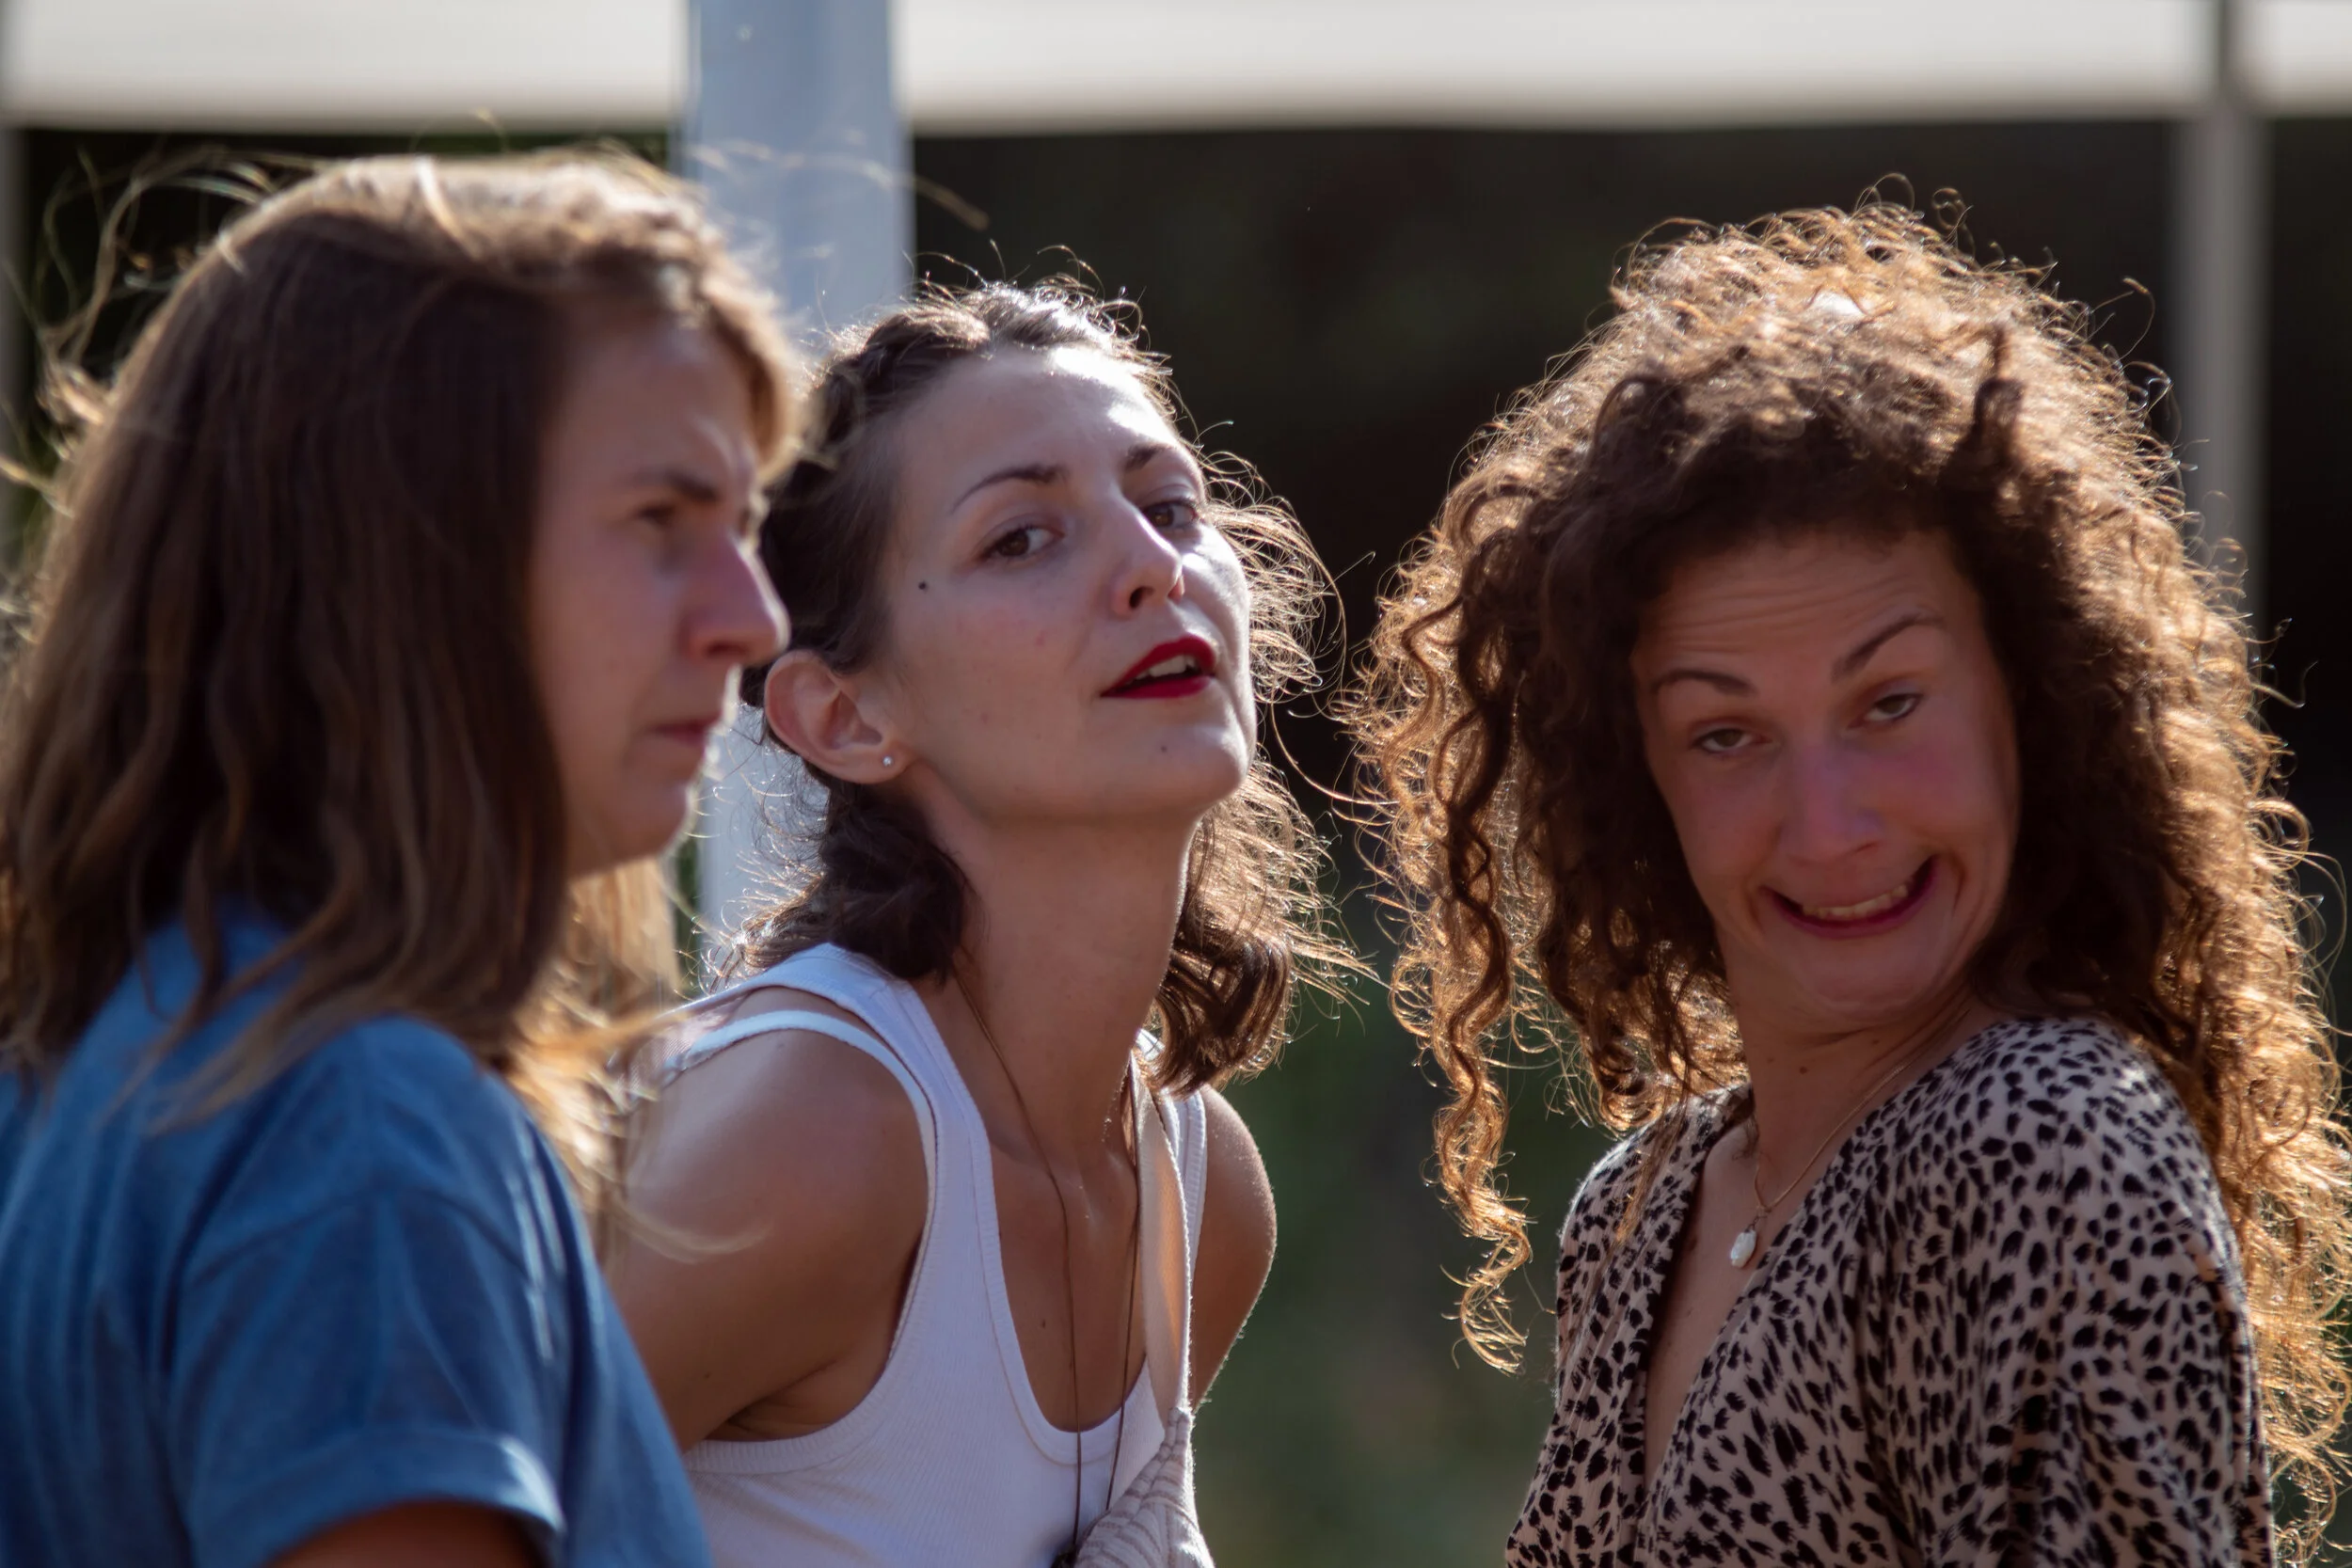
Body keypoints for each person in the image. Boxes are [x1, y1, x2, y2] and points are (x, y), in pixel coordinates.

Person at [1352, 202, 2352, 1564]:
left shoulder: (2045, 1142)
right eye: (1726, 734)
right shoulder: (1641, 1210)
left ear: (2032, 703)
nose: (1828, 828)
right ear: (1633, 782)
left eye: (1889, 703)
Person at [0, 152, 794, 1567]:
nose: (753, 618)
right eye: (661, 522)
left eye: (739, 525)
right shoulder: (361, 1136)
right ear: (399, 559)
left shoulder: (106, 1055)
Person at [607, 281, 1345, 1568]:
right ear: (843, 717)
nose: (1154, 565)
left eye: (1172, 505)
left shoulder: (1203, 1196)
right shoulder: (816, 1138)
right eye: (1021, 538)